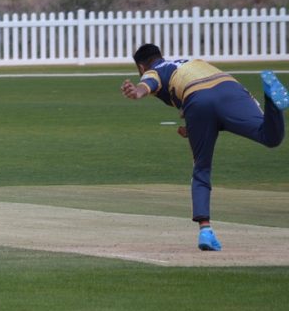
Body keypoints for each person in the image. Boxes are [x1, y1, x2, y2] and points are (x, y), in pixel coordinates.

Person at [121, 44, 287, 251]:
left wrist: (137, 92)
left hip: (197, 99)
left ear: (140, 67)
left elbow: (150, 83)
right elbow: (213, 105)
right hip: (231, 88)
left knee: (201, 167)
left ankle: (205, 231)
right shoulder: (191, 62)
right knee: (270, 136)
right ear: (160, 54)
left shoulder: (155, 70)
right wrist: (193, 128)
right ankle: (272, 100)